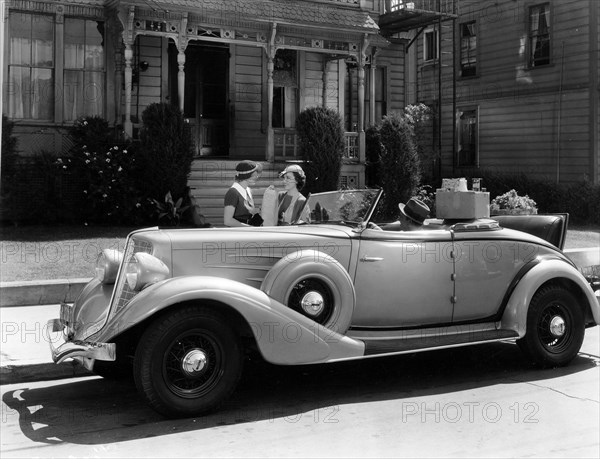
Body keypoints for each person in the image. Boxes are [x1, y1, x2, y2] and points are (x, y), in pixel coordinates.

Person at [223, 160, 263, 227]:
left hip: (247, 232)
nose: (257, 177)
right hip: (237, 234)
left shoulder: (248, 190)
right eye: (255, 174)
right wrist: (249, 228)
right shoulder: (233, 193)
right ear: (247, 176)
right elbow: (228, 221)